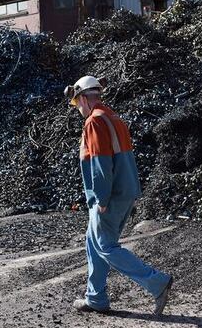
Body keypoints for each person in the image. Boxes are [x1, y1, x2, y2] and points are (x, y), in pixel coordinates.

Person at [64, 75, 173, 315]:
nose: (78, 109)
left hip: (110, 195)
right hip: (125, 190)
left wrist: (101, 199)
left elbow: (102, 165)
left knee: (105, 246)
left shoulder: (94, 121)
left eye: (77, 103)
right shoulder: (113, 117)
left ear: (83, 98)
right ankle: (96, 298)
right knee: (93, 243)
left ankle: (157, 282)